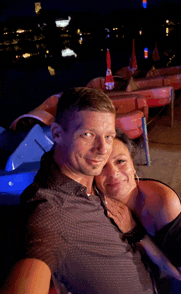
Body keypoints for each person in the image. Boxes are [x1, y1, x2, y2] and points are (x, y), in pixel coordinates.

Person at [2, 87, 155, 294]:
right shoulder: (51, 212)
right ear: (56, 133)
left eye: (108, 136)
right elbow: (34, 262)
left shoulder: (93, 176)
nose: (103, 149)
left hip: (155, 273)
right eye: (88, 134)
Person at [95, 130, 181, 294]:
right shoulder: (102, 197)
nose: (113, 173)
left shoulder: (161, 203)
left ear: (133, 165)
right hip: (155, 270)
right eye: (102, 165)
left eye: (120, 161)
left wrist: (135, 232)